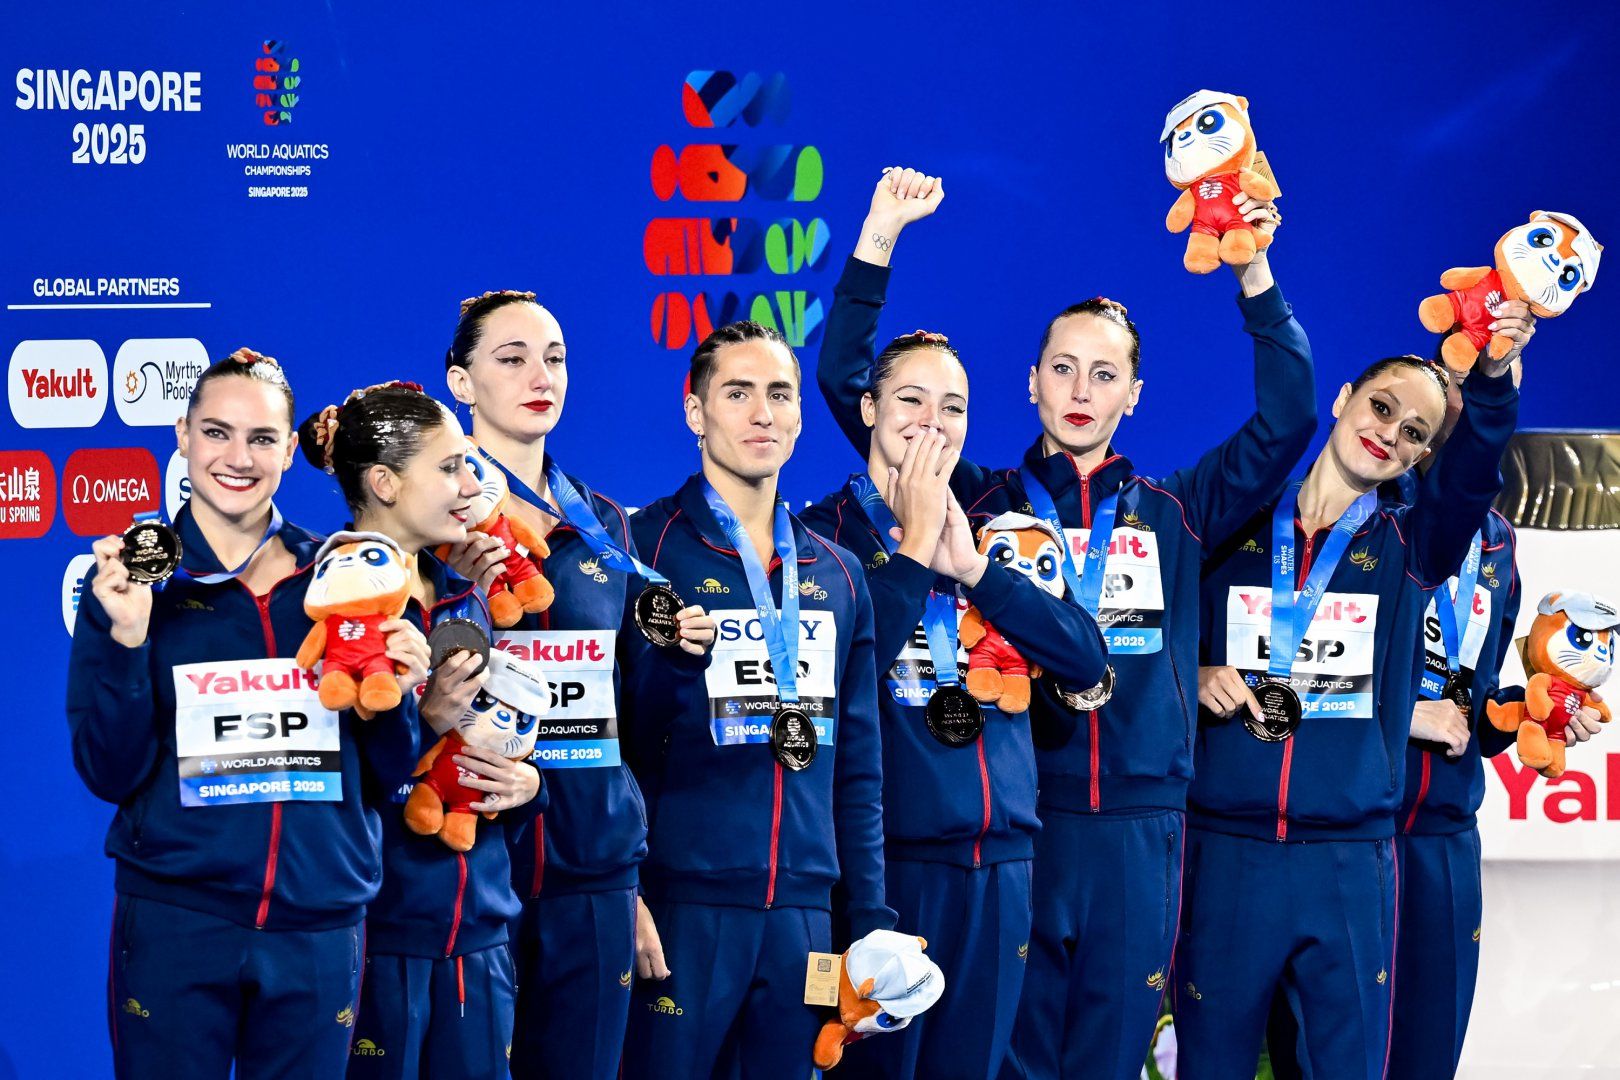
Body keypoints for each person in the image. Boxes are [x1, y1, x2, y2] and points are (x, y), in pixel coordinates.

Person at [818, 167, 1314, 1079]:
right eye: (1062, 369)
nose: (1081, 389)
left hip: (1138, 828)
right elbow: (854, 383)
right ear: (1032, 385)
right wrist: (877, 239)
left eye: (1105, 374)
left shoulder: (1180, 509)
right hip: (1025, 816)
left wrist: (1254, 269)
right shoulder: (977, 497)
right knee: (1010, 1059)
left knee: (1110, 1059)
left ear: (1135, 393)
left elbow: (1288, 417)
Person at [1178, 308, 1528, 1079]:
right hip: (1228, 855)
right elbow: (1163, 645)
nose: (1391, 433)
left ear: (1421, 458)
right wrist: (1194, 675)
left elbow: (1475, 468)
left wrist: (1495, 373)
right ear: (1341, 399)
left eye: (1415, 432)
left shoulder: (1413, 544)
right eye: (1381, 406)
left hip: (1347, 860)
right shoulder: (1229, 522)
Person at [68, 349, 425, 1078]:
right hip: (178, 921)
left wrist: (401, 695)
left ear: (291, 450)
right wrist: (128, 641)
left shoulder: (345, 575)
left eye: (262, 439)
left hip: (319, 925)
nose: (238, 457)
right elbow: (108, 771)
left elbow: (389, 773)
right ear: (183, 435)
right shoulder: (136, 585)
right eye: (217, 433)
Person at [800, 308, 1109, 1079]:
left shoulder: (1004, 533)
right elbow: (833, 681)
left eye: (954, 408)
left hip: (1001, 868)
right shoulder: (817, 540)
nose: (933, 423)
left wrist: (976, 571)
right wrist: (911, 551)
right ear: (867, 409)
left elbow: (1085, 660)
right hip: (884, 876)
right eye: (911, 400)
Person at [443, 290, 714, 1079]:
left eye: (554, 358)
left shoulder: (605, 524)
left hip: (589, 875)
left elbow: (625, 720)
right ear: (461, 382)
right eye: (512, 357)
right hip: (473, 864)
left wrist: (676, 654)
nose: (540, 375)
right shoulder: (434, 514)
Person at [620, 320, 894, 1079]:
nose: (761, 414)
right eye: (737, 393)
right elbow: (610, 745)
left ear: (801, 415)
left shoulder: (837, 573)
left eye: (779, 394)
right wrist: (626, 894)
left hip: (804, 916)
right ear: (695, 411)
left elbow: (860, 772)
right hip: (680, 906)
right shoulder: (640, 551)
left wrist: (867, 922)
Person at [297, 382, 544, 1080]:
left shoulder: (469, 593)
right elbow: (325, 793)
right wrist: (422, 719)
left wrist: (527, 785)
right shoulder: (325, 608)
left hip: (483, 936)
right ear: (383, 483)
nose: (471, 484)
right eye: (448, 467)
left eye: (467, 464)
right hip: (378, 943)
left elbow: (497, 736)